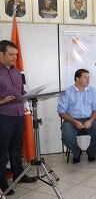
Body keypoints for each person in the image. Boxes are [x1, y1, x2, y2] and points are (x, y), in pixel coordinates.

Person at [0, 40, 37, 196]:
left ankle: (19, 175)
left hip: (19, 114)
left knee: (16, 148)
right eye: (11, 54)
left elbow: (22, 91)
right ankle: (2, 183)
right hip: (3, 116)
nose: (15, 57)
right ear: (1, 54)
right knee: (2, 151)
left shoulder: (16, 72)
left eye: (16, 54)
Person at [57, 69, 96, 164]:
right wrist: (75, 122)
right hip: (71, 119)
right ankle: (76, 152)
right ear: (77, 79)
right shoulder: (67, 92)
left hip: (89, 118)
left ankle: (91, 151)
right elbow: (61, 112)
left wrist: (91, 121)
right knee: (66, 137)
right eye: (85, 77)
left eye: (89, 78)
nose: (88, 80)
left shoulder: (93, 91)